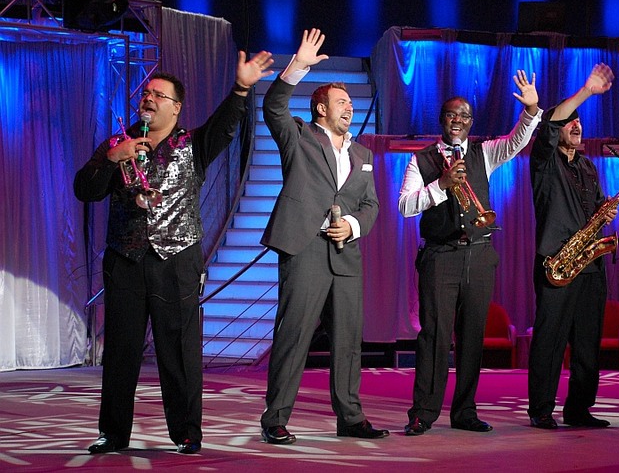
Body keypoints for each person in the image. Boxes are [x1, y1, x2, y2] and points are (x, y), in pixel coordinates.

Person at [75, 50, 275, 454]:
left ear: (176, 107)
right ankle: (113, 432)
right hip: (125, 259)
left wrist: (240, 89)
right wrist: (112, 159)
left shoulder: (192, 143)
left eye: (158, 95)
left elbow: (223, 127)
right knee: (121, 350)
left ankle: (186, 431)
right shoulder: (117, 143)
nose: (148, 98)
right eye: (145, 93)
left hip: (177, 258)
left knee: (178, 350)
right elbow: (86, 189)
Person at [258, 28, 387, 444]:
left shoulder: (363, 154)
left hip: (345, 254)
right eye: (341, 102)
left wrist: (352, 226)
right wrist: (297, 65)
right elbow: (273, 106)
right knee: (294, 335)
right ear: (320, 108)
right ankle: (275, 418)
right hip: (305, 248)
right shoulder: (298, 135)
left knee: (347, 340)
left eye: (350, 102)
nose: (349, 107)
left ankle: (350, 417)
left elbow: (371, 205)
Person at [398, 71, 543, 436]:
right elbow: (405, 206)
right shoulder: (421, 160)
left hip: (478, 255)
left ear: (471, 122)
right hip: (440, 257)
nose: (458, 120)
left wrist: (531, 110)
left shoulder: (484, 152)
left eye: (464, 116)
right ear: (441, 119)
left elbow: (516, 142)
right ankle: (423, 413)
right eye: (452, 114)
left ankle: (465, 411)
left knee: (472, 336)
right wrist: (441, 186)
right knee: (434, 336)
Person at [528, 63, 617, 430]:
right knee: (549, 340)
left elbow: (593, 208)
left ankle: (579, 408)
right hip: (557, 262)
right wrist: (586, 91)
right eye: (570, 121)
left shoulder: (588, 167)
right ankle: (541, 409)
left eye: (579, 121)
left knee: (587, 342)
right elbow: (549, 123)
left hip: (589, 264)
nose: (576, 125)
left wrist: (604, 212)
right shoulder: (544, 160)